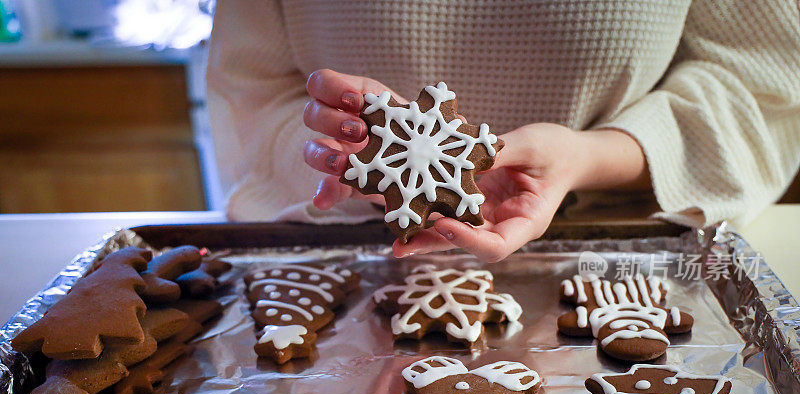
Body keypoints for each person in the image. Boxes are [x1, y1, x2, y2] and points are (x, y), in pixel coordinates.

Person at [207, 0, 800, 262]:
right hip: (352, 246)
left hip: (626, 243)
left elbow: (763, 83)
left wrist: (588, 156)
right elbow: (251, 89)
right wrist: (337, 157)